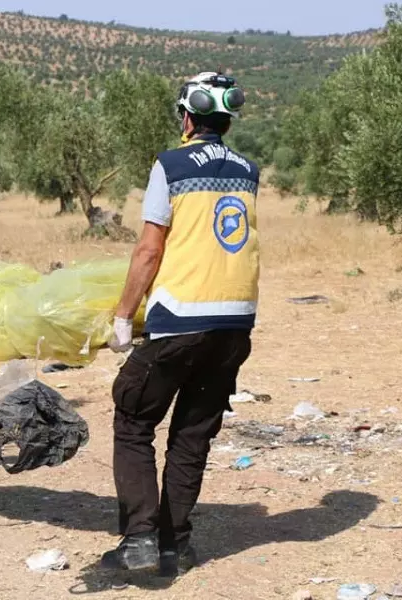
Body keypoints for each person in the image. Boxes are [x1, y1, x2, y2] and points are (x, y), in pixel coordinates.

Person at [103, 71, 260, 575]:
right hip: (235, 325)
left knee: (133, 418)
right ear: (228, 120)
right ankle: (175, 546)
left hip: (180, 319)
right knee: (192, 435)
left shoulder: (170, 165)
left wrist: (123, 315)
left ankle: (140, 541)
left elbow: (150, 249)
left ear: (188, 116)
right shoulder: (249, 170)